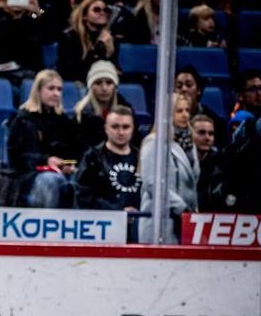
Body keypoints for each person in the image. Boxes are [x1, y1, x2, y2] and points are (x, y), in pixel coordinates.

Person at [5, 69, 82, 208]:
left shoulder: (64, 121)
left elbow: (73, 154)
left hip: (59, 173)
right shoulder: (22, 119)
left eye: (59, 89)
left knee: (81, 180)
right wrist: (46, 161)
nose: (56, 93)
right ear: (38, 90)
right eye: (51, 88)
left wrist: (67, 164)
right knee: (51, 180)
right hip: (28, 177)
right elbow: (16, 158)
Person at [138, 93, 199, 245]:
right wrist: (181, 208)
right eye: (179, 111)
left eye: (187, 110)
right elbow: (152, 183)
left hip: (185, 223)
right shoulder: (154, 142)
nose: (185, 115)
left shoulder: (190, 144)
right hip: (161, 222)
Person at [74, 105, 141, 241]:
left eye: (126, 127)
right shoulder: (92, 158)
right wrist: (118, 212)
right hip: (102, 229)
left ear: (133, 129)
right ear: (106, 128)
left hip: (139, 227)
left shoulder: (143, 157)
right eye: (115, 127)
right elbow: (84, 198)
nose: (120, 132)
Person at [57, 0, 118, 83]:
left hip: (100, 82)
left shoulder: (109, 38)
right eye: (97, 10)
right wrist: (99, 48)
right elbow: (72, 71)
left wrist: (109, 53)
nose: (102, 13)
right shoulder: (70, 38)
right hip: (75, 82)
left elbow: (113, 69)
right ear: (84, 16)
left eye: (105, 10)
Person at [74, 60, 132, 149]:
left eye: (109, 83)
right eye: (98, 83)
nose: (104, 88)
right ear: (91, 87)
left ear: (114, 86)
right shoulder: (81, 114)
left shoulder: (127, 111)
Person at [174, 65, 227, 148]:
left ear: (198, 90)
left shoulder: (214, 120)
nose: (183, 89)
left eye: (189, 85)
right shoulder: (165, 119)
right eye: (179, 86)